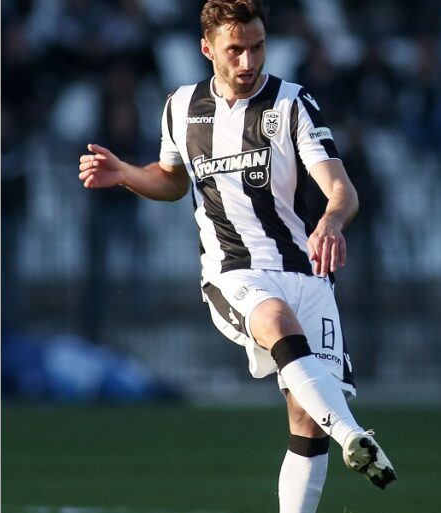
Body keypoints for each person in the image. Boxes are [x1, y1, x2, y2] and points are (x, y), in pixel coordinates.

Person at [77, 1, 397, 511]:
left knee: (306, 421)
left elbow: (342, 190)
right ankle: (354, 435)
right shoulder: (181, 107)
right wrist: (126, 175)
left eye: (257, 47)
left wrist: (331, 222)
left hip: (306, 271)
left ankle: (337, 440)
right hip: (234, 271)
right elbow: (172, 180)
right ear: (207, 49)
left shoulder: (292, 104)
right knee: (275, 321)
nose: (248, 61)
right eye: (235, 50)